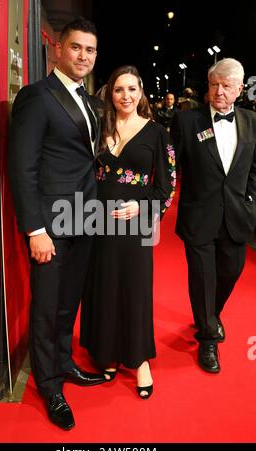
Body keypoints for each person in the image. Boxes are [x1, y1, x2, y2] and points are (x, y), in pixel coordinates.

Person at [8, 17, 105, 431]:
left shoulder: (87, 100)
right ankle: (48, 385)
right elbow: (22, 167)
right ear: (58, 50)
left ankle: (63, 363)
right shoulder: (37, 96)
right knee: (47, 307)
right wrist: (36, 230)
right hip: (50, 224)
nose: (83, 56)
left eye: (90, 50)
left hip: (83, 217)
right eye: (77, 48)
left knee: (69, 302)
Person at [80, 65, 176, 399]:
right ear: (110, 92)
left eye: (132, 89)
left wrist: (144, 207)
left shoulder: (157, 133)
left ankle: (139, 361)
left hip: (136, 225)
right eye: (119, 90)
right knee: (104, 284)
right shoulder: (99, 127)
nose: (126, 96)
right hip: (99, 221)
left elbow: (168, 184)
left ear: (141, 93)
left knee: (135, 289)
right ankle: (105, 353)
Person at [171, 58, 256, 373]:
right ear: (208, 87)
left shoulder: (252, 122)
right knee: (202, 277)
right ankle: (208, 338)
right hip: (199, 216)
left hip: (237, 216)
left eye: (226, 86)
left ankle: (210, 315)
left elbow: (254, 170)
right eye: (214, 85)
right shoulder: (186, 121)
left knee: (230, 272)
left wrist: (251, 201)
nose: (219, 92)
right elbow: (171, 167)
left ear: (239, 89)